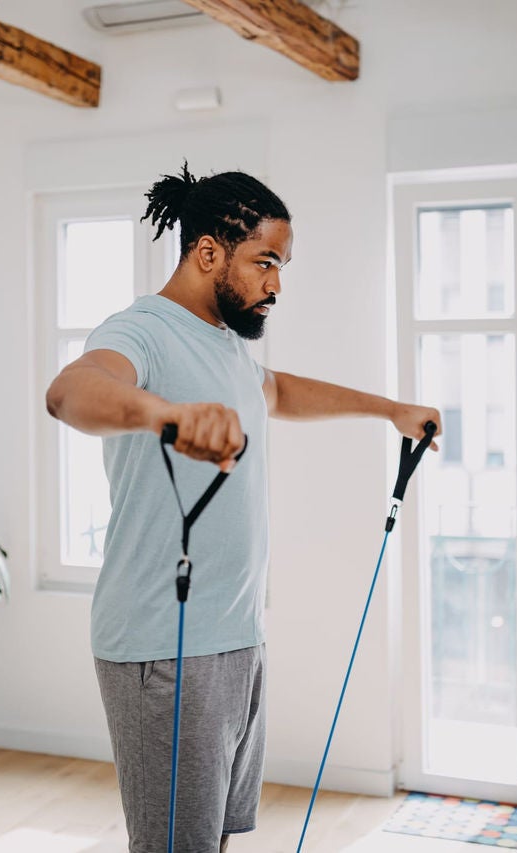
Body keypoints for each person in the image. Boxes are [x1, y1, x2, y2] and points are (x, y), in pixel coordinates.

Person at [44, 163, 441, 852]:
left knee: (215, 838)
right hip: (162, 649)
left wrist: (390, 412)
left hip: (237, 639)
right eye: (265, 262)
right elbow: (71, 390)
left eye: (281, 265)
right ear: (208, 253)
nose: (276, 284)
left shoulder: (223, 343)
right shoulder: (140, 330)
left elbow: (278, 392)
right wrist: (165, 414)